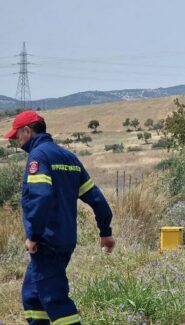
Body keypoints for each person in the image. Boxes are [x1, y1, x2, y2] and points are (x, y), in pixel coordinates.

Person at [4, 110, 115, 325]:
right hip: (64, 240)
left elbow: (41, 196)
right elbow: (97, 199)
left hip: (46, 242)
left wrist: (34, 235)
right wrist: (106, 232)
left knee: (55, 301)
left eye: (17, 135)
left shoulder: (38, 157)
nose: (16, 142)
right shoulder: (68, 157)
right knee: (32, 296)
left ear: (27, 131)